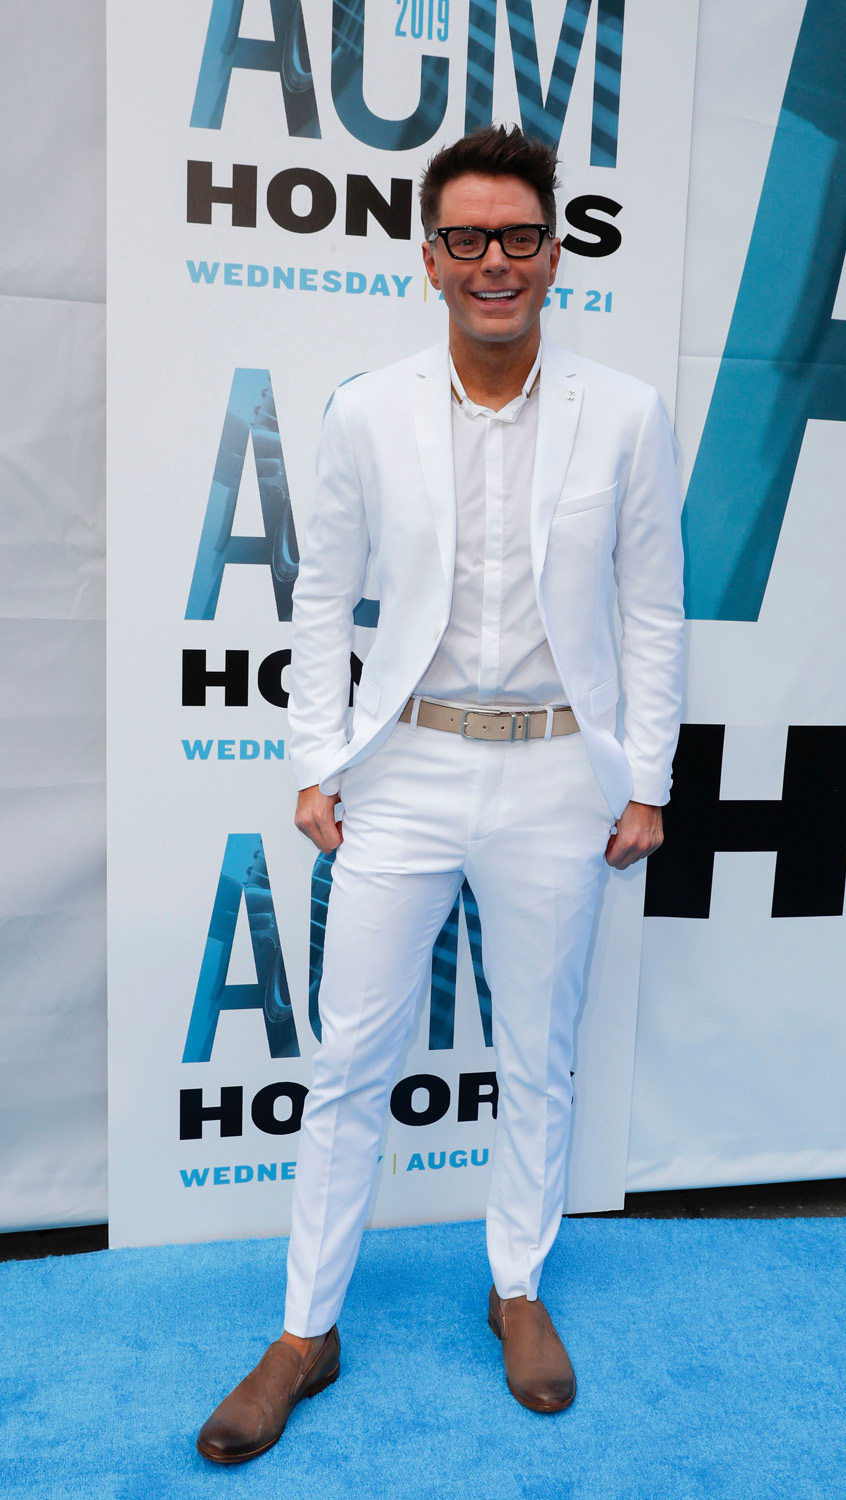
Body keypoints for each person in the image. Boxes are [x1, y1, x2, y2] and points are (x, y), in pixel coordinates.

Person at [196, 123, 684, 1464]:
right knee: (350, 1056)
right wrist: (316, 760)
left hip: (554, 775)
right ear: (430, 257)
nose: (494, 263)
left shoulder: (628, 415)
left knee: (541, 1053)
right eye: (466, 239)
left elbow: (653, 610)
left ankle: (516, 1289)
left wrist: (645, 779)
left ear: (554, 251)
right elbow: (317, 599)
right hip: (403, 766)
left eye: (518, 237)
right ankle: (308, 1328)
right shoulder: (366, 410)